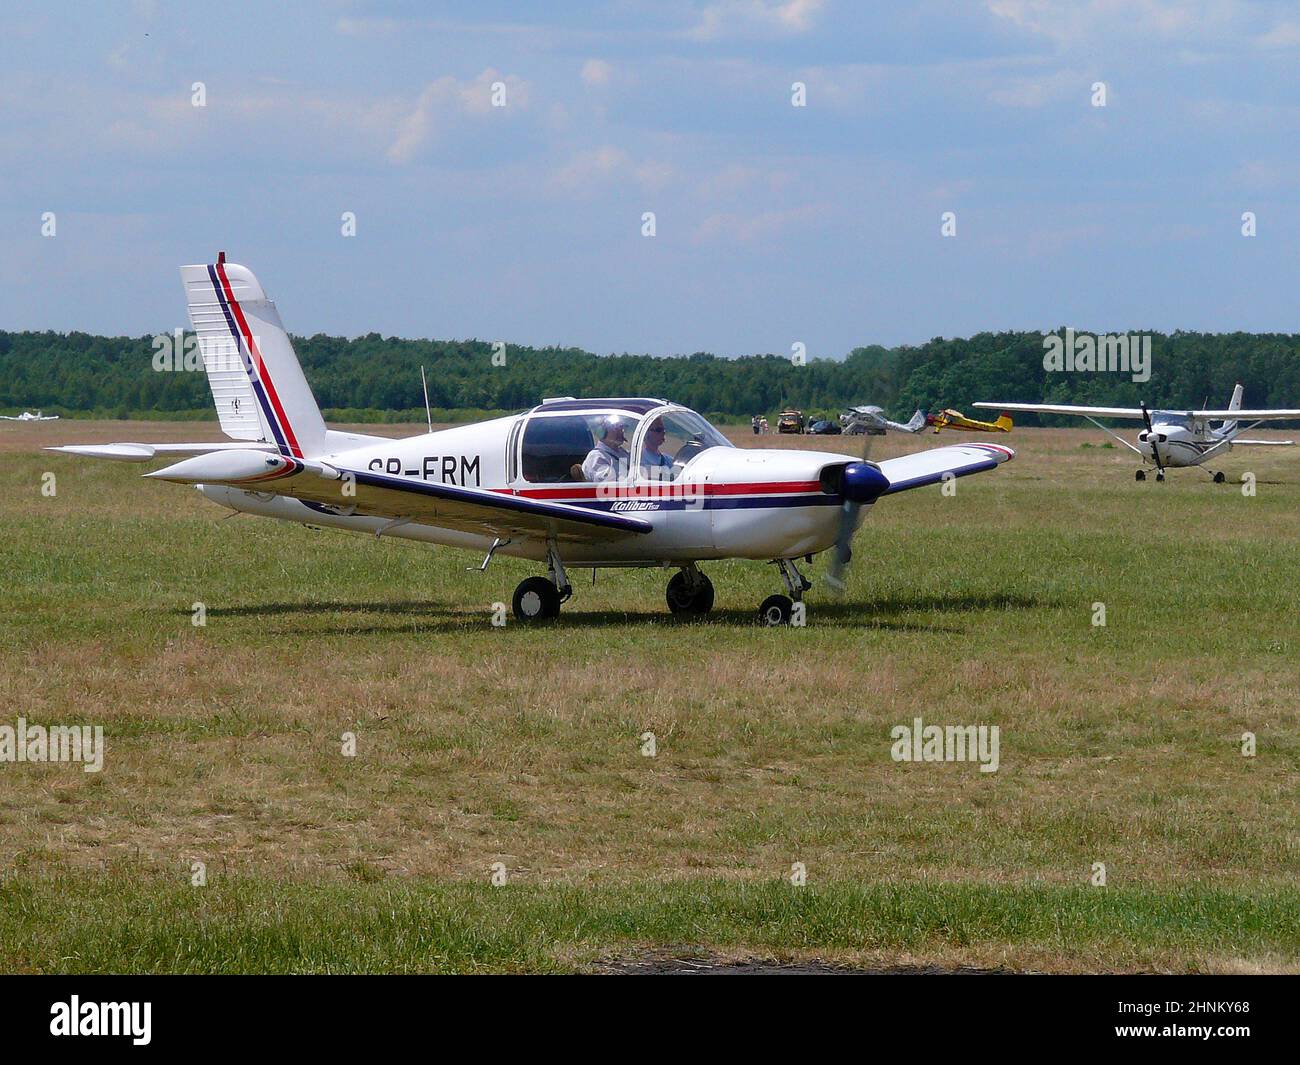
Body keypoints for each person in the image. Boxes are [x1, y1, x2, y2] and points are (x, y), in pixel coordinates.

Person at [581, 415, 630, 481]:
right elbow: (608, 487)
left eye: (621, 428)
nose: (621, 432)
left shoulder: (622, 453)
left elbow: (624, 476)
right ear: (602, 432)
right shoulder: (596, 457)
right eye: (615, 428)